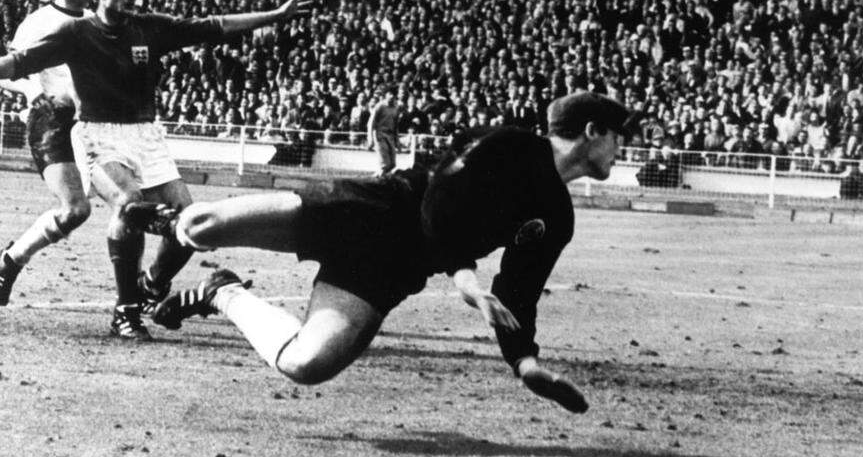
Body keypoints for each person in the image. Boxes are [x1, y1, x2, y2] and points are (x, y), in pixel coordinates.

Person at [123, 92, 639, 413]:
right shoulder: (507, 144)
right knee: (200, 223)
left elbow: (518, 290)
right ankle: (168, 221)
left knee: (306, 364)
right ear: (591, 131)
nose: (624, 148)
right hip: (369, 210)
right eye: (620, 136)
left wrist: (524, 361)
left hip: (393, 267)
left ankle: (223, 293)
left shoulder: (557, 217)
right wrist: (461, 271)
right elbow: (440, 197)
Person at [0, 0, 314, 341]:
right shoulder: (75, 32)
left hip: (147, 137)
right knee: (127, 203)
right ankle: (126, 312)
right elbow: (22, 61)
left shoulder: (150, 27)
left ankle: (152, 286)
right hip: (97, 134)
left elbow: (212, 26)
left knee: (192, 223)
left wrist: (276, 14)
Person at [0, 0, 98, 305]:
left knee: (105, 204)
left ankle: (11, 256)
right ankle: (12, 261)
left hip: (91, 121)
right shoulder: (37, 22)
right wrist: (34, 90)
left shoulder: (96, 20)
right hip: (50, 121)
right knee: (77, 208)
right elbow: (3, 76)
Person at [367, 91, 401, 175]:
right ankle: (378, 180)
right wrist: (370, 139)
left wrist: (397, 142)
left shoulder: (396, 109)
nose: (392, 96)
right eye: (390, 93)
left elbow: (396, 126)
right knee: (384, 164)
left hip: (390, 136)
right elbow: (371, 123)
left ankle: (378, 177)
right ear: (386, 95)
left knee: (392, 164)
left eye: (393, 94)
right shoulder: (380, 106)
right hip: (380, 135)